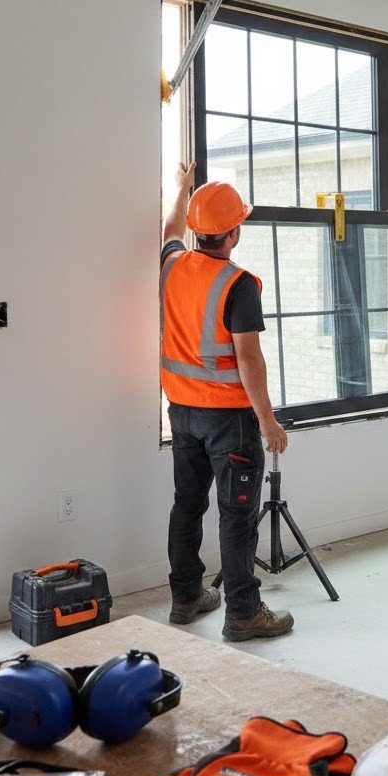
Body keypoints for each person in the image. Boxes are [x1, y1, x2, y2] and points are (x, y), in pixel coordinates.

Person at [160, 161, 293, 642]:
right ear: (234, 232)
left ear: (200, 231)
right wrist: (269, 423)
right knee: (237, 514)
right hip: (229, 419)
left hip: (181, 410)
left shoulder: (172, 264)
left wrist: (181, 191)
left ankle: (186, 596)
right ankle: (242, 612)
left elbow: (170, 228)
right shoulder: (239, 284)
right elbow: (249, 361)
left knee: (187, 505)